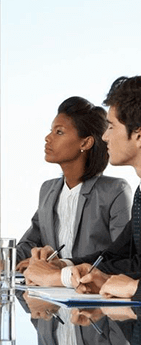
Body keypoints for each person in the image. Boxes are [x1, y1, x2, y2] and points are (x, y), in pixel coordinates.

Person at [24, 76, 141, 294]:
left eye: (112, 127)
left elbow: (133, 267)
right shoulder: (140, 194)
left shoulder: (117, 191)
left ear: (138, 134)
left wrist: (60, 277)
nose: (104, 137)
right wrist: (65, 266)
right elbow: (121, 256)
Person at [15, 97, 131, 266]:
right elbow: (28, 245)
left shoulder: (115, 191)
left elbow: (122, 256)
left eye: (59, 132)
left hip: (94, 289)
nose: (48, 137)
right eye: (51, 131)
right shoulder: (48, 189)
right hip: (50, 290)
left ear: (85, 142)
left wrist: (63, 266)